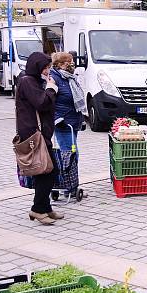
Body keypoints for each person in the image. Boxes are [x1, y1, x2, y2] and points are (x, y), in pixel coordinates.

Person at [15, 52, 60, 225]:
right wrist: (50, 89)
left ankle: (45, 207)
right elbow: (41, 103)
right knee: (46, 171)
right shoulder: (28, 81)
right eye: (45, 67)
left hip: (41, 133)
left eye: (49, 67)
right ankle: (38, 209)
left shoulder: (35, 81)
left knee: (48, 170)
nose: (48, 71)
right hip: (34, 134)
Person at [50, 51, 87, 199]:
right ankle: (68, 186)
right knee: (70, 156)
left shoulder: (69, 78)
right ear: (59, 65)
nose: (71, 65)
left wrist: (81, 119)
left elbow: (76, 99)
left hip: (73, 122)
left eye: (72, 62)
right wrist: (57, 118)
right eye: (68, 63)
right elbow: (50, 101)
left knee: (72, 155)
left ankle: (70, 185)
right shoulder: (55, 79)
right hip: (63, 124)